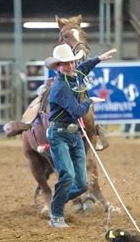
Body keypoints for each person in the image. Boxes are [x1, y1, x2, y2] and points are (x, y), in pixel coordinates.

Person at [44, 44, 116, 228]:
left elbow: (83, 69)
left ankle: (56, 202)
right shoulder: (60, 87)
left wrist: (99, 59)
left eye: (72, 62)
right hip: (59, 134)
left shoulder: (73, 75)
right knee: (68, 175)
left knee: (82, 184)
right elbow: (76, 111)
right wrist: (90, 101)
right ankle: (56, 215)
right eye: (65, 64)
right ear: (57, 67)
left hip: (74, 134)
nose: (71, 66)